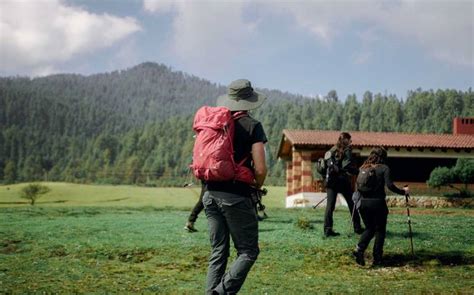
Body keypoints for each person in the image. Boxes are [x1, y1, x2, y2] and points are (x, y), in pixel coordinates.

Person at [202, 79, 267, 295]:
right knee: (248, 251)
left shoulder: (217, 124)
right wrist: (257, 185)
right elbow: (260, 168)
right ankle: (219, 293)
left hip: (209, 194)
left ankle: (212, 291)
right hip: (235, 196)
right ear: (250, 101)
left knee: (218, 250)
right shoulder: (253, 126)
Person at [352, 147, 409, 267]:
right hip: (378, 204)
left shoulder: (363, 167)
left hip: (362, 204)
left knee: (369, 229)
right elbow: (390, 186)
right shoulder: (384, 168)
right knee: (380, 231)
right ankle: (377, 259)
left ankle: (359, 249)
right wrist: (404, 192)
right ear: (383, 157)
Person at [323, 132, 363, 237]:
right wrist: (358, 171)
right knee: (352, 203)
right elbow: (347, 166)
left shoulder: (332, 149)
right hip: (342, 181)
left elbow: (326, 162)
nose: (351, 142)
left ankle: (327, 230)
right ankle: (357, 228)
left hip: (330, 181)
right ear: (346, 140)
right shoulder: (347, 150)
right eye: (350, 139)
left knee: (330, 206)